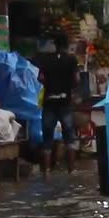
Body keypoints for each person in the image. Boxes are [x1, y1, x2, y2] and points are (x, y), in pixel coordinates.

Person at [36, 33, 79, 176]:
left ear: (55, 45)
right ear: (67, 45)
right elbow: (76, 79)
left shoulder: (46, 59)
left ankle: (47, 171)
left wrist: (51, 84)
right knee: (69, 137)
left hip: (49, 102)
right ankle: (71, 171)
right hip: (65, 102)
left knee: (47, 137)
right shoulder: (72, 60)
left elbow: (40, 78)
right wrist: (69, 88)